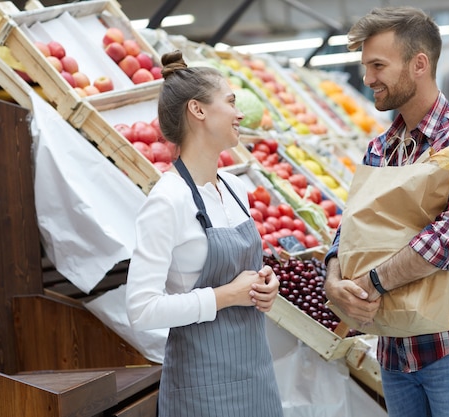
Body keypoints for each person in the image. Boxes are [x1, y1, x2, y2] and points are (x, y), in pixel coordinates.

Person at [324, 7, 449, 417]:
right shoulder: (379, 150)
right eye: (366, 66)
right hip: (393, 345)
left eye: (377, 65)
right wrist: (334, 281)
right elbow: (350, 232)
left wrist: (372, 282)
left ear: (419, 64)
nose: (368, 78)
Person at [125, 50, 283, 417]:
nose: (239, 112)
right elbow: (141, 309)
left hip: (256, 375)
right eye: (230, 101)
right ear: (198, 110)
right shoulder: (168, 199)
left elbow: (243, 277)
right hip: (202, 387)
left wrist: (264, 286)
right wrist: (225, 296)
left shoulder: (234, 188)